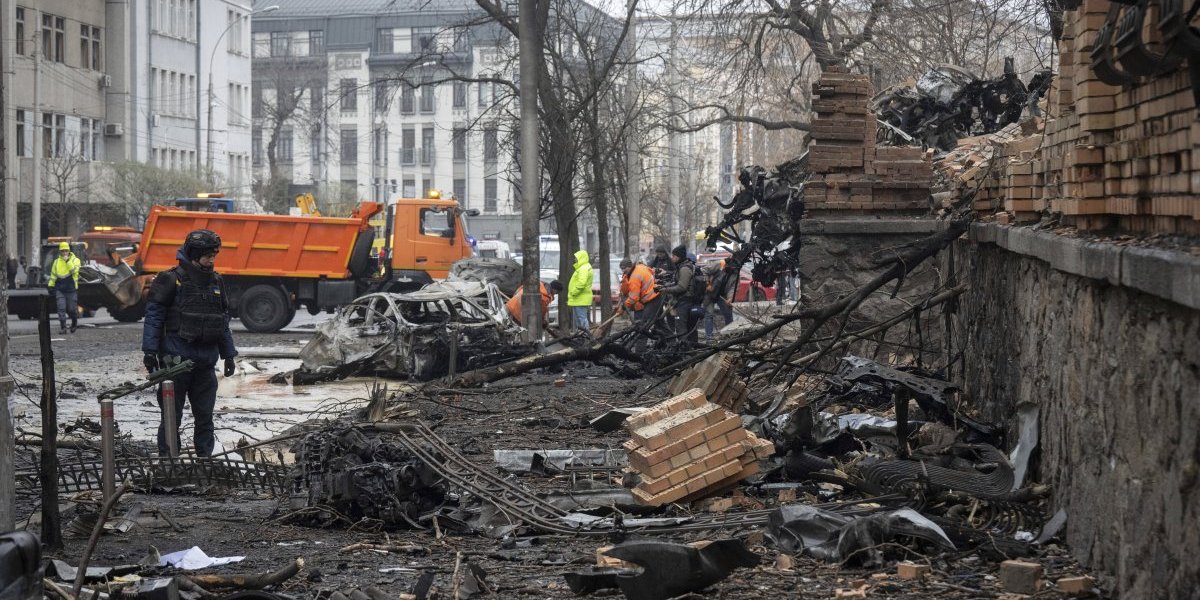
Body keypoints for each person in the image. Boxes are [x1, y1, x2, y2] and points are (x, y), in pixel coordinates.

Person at [142, 229, 238, 457]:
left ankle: (205, 462)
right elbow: (154, 317)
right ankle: (169, 463)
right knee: (171, 417)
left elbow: (222, 321)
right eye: (208, 255)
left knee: (205, 417)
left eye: (214, 255)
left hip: (205, 364)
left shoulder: (216, 281)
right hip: (175, 363)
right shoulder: (170, 279)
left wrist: (229, 354)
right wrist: (150, 351)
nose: (212, 259)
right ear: (194, 254)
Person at [659, 245, 700, 345]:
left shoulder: (684, 268)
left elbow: (682, 287)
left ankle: (684, 350)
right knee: (689, 327)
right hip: (685, 301)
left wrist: (666, 290)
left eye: (673, 256)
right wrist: (665, 285)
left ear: (678, 257)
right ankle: (691, 349)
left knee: (681, 327)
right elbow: (678, 282)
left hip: (685, 301)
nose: (672, 258)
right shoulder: (681, 267)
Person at [46, 242, 82, 333]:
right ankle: (63, 328)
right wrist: (50, 286)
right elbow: (53, 276)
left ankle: (74, 323)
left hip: (71, 289)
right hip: (60, 289)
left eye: (66, 251)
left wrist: (67, 261)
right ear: (60, 252)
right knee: (61, 308)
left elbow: (74, 270)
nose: (64, 253)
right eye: (62, 251)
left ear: (69, 251)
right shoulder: (56, 262)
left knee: (71, 309)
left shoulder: (75, 260)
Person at [620, 258, 663, 327]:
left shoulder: (634, 277)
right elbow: (651, 271)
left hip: (651, 299)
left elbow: (633, 297)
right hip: (656, 297)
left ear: (630, 266)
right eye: (622, 269)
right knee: (659, 323)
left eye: (624, 268)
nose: (623, 270)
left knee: (643, 323)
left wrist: (623, 307)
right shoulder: (640, 267)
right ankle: (668, 336)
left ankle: (641, 338)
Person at [703, 260, 736, 339]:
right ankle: (709, 337)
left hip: (722, 295)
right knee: (709, 315)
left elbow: (733, 288)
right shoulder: (720, 263)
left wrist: (730, 298)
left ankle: (728, 335)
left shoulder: (736, 274)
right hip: (710, 293)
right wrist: (708, 283)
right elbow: (704, 271)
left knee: (728, 314)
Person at [567, 250, 593, 333]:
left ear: (581, 258)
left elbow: (582, 283)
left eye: (576, 258)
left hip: (579, 298)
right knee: (580, 320)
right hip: (579, 299)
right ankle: (582, 336)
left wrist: (573, 292)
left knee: (581, 319)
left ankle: (585, 337)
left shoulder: (583, 268)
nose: (575, 259)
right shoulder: (584, 267)